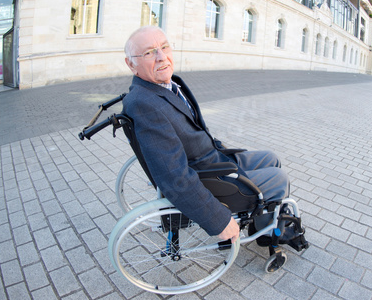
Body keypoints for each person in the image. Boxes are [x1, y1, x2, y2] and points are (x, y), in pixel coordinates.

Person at [122, 26, 289, 242]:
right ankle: (267, 235)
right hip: (208, 176)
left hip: (213, 156)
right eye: (149, 52)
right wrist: (217, 219)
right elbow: (173, 176)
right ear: (131, 64)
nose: (161, 57)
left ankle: (262, 222)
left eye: (164, 47)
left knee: (271, 157)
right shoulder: (145, 104)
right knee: (279, 178)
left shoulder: (165, 86)